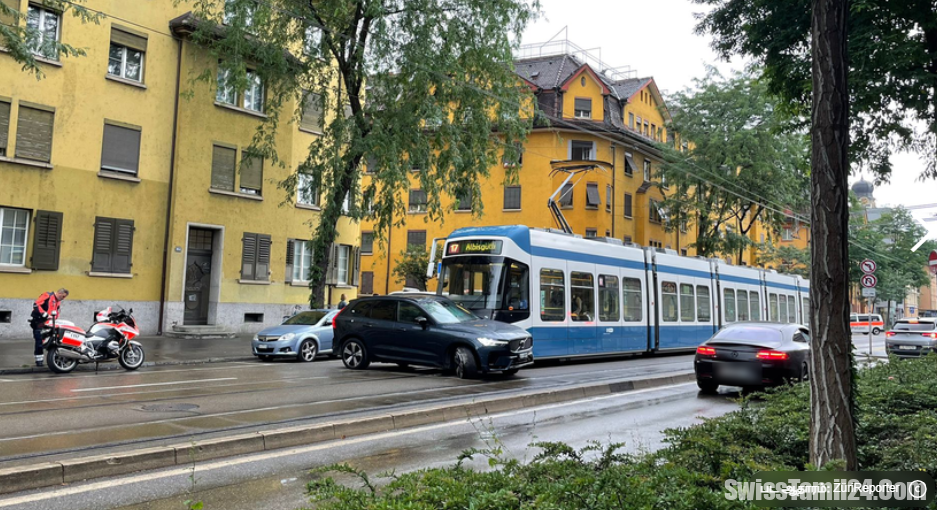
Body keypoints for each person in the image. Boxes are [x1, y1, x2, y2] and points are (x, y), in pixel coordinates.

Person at [29, 288, 68, 367]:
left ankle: (54, 358)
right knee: (39, 340)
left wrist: (55, 318)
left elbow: (56, 311)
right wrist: (45, 314)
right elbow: (36, 305)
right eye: (63, 296)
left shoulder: (58, 302)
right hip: (39, 321)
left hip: (49, 323)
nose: (63, 299)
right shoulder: (47, 295)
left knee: (53, 340)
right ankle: (39, 360)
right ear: (59, 293)